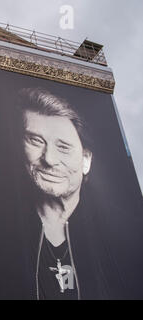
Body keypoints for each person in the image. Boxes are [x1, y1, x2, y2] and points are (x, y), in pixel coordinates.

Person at [14, 87, 143, 300]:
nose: (50, 159)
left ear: (86, 160)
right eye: (35, 141)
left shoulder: (129, 235)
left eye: (64, 147)